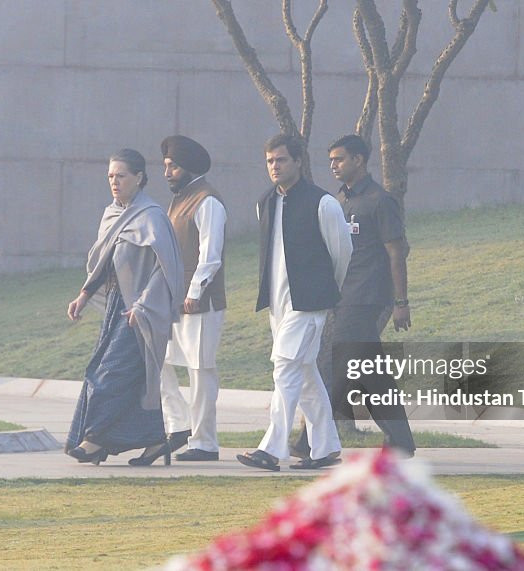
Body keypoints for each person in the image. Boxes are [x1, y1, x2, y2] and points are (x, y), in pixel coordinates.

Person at [292, 135, 417, 458]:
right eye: (331, 160)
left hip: (367, 298)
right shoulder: (341, 201)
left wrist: (400, 302)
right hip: (341, 296)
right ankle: (400, 441)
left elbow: (396, 253)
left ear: (359, 160)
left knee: (339, 367)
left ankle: (312, 443)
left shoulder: (380, 201)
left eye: (340, 159)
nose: (333, 165)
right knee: (372, 374)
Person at [236, 133, 352, 472]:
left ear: (299, 161)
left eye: (281, 160)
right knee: (303, 373)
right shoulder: (265, 202)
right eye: (270, 161)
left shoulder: (323, 203)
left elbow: (342, 253)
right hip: (278, 305)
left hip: (310, 305)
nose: (275, 166)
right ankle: (326, 447)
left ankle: (272, 449)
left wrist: (325, 293)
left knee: (284, 368)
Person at [65, 149, 185, 466]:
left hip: (140, 311)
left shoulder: (153, 217)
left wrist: (144, 306)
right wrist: (84, 294)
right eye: (110, 176)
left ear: (139, 178)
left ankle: (94, 440)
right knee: (133, 379)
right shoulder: (112, 214)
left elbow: (166, 269)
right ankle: (156, 440)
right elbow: (104, 263)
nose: (114, 182)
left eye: (121, 176)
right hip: (117, 306)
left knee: (107, 374)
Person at [157, 135, 227, 462]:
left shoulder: (207, 200)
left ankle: (204, 443)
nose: (167, 172)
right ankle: (179, 425)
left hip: (200, 304)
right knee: (160, 361)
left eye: (173, 166)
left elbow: (210, 256)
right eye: (166, 166)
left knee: (200, 371)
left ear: (189, 167)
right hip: (173, 302)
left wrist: (194, 292)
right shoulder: (180, 199)